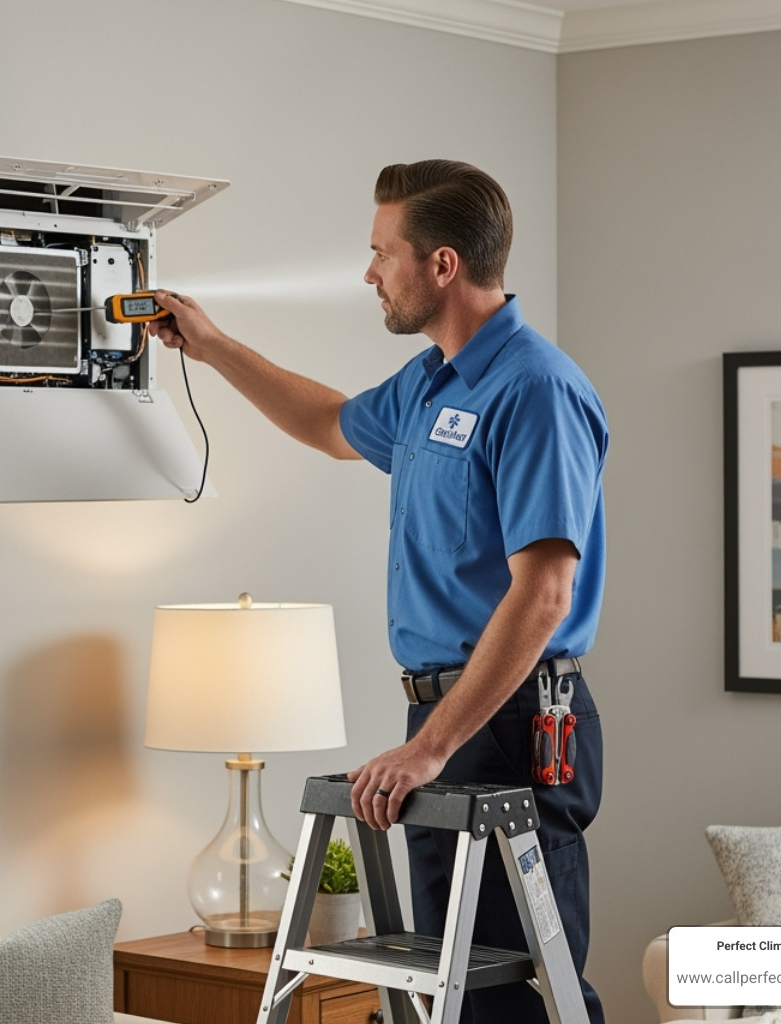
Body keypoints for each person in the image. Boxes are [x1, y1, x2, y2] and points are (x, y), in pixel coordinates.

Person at [149, 160, 608, 1024]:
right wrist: (212, 349)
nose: (369, 273)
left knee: (506, 999)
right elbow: (329, 424)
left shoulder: (536, 390)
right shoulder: (433, 381)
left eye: (381, 253)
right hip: (443, 721)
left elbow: (544, 595)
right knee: (445, 996)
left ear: (442, 265)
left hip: (511, 723)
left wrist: (431, 748)